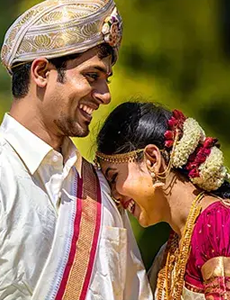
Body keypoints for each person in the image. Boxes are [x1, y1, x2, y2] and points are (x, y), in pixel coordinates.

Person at [0, 2, 153, 299]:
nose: (105, 95)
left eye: (105, 79)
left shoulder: (103, 191)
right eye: (92, 75)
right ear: (42, 71)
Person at [95, 101, 230, 300]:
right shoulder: (171, 249)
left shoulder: (217, 222)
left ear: (152, 159)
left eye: (114, 177)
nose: (115, 195)